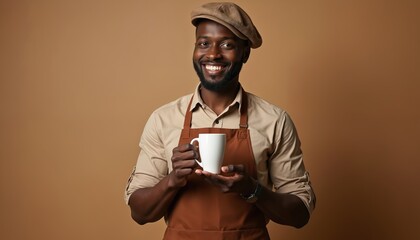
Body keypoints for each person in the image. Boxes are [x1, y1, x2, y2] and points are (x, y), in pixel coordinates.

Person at [125, 2, 315, 239]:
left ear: (245, 53)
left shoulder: (275, 120)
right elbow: (140, 213)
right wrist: (172, 180)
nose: (213, 53)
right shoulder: (163, 119)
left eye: (227, 45)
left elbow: (300, 214)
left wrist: (251, 189)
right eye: (204, 43)